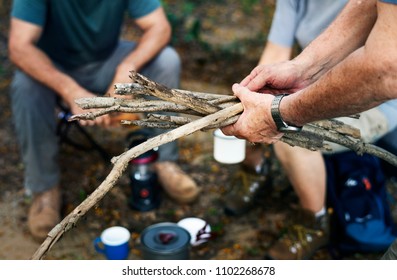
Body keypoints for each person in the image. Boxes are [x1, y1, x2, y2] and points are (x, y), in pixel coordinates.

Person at [8, 0, 200, 242]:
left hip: (107, 59)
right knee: (25, 87)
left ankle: (164, 161)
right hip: (55, 66)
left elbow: (159, 27)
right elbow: (19, 46)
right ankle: (44, 189)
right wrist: (69, 89)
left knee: (166, 61)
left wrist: (126, 69)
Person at [222, 0, 397, 260]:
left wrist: (282, 114)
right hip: (325, 88)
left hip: (378, 101)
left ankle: (313, 223)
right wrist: (293, 73)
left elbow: (386, 70)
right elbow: (368, 4)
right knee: (254, 107)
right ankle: (255, 171)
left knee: (292, 134)